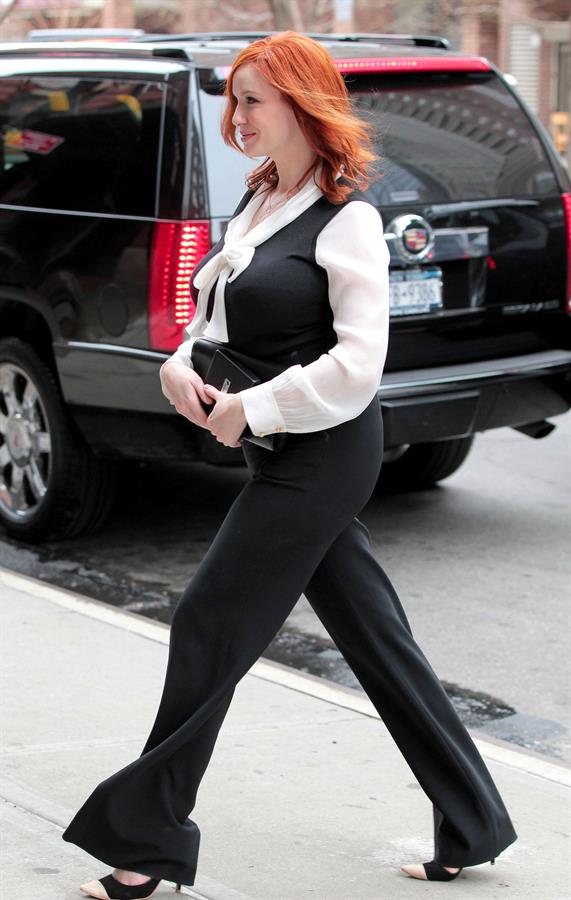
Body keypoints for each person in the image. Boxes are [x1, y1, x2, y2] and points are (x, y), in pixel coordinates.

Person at [62, 31, 518, 899]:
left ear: (302, 105)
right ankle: (474, 822)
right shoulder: (257, 203)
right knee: (379, 643)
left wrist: (257, 407)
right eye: (233, 99)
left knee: (208, 621)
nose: (236, 116)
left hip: (325, 456)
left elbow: (358, 365)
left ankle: (144, 842)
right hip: (279, 449)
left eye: (252, 100)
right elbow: (217, 323)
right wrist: (181, 363)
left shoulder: (347, 219)